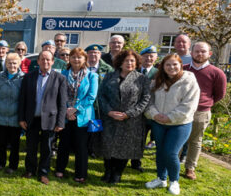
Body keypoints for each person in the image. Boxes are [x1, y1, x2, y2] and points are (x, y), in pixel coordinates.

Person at [144, 54, 200, 195]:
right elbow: (148, 100)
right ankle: (161, 179)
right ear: (163, 66)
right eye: (167, 64)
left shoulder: (189, 81)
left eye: (175, 64)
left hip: (179, 124)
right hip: (158, 122)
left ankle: (174, 181)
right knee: (161, 152)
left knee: (171, 152)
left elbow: (189, 105)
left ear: (181, 65)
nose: (171, 67)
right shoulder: (157, 80)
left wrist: (169, 117)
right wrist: (154, 114)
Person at [97, 49, 150, 184]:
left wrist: (129, 114)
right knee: (108, 145)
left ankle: (117, 173)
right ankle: (108, 171)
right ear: (120, 62)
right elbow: (101, 95)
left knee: (124, 147)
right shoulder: (109, 76)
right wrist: (109, 112)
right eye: (126, 60)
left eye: (132, 60)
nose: (129, 63)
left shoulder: (141, 78)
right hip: (110, 118)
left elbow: (145, 99)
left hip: (130, 120)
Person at [18, 51, 67, 185]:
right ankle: (30, 170)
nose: (45, 62)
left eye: (48, 60)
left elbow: (62, 102)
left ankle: (43, 173)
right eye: (42, 59)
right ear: (38, 61)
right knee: (31, 147)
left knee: (47, 148)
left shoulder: (60, 78)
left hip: (50, 119)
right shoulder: (29, 77)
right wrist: (21, 118)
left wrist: (60, 121)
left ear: (52, 62)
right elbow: (22, 99)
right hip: (31, 118)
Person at [183, 41, 227, 180]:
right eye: (197, 51)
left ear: (210, 54)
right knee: (177, 139)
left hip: (201, 112)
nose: (199, 54)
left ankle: (190, 168)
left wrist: (206, 103)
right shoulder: (182, 69)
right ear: (191, 53)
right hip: (181, 110)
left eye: (203, 51)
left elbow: (219, 94)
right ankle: (173, 165)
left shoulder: (217, 73)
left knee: (195, 141)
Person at [54, 48, 98, 183]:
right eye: (73, 57)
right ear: (69, 59)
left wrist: (75, 110)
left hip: (83, 117)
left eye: (79, 57)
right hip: (65, 115)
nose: (76, 60)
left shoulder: (91, 76)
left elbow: (91, 97)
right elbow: (59, 94)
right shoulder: (62, 74)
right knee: (63, 144)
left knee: (81, 146)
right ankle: (60, 169)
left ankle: (81, 173)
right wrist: (67, 110)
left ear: (85, 59)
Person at [0, 52, 24, 173]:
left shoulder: (23, 78)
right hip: (0, 115)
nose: (12, 65)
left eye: (14, 63)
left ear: (19, 64)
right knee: (2, 143)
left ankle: (12, 166)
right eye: (9, 63)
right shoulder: (0, 77)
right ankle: (1, 163)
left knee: (15, 145)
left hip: (15, 117)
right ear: (6, 64)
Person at [139, 45, 159, 151]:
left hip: (151, 109)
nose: (149, 59)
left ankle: (137, 161)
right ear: (140, 57)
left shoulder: (159, 73)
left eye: (151, 56)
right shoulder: (133, 70)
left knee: (147, 133)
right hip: (135, 109)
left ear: (156, 58)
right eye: (146, 56)